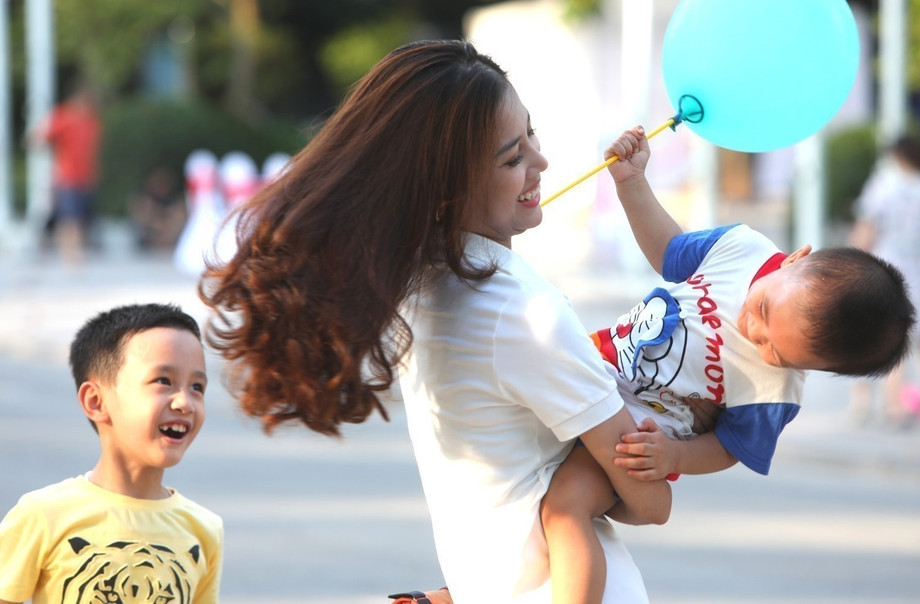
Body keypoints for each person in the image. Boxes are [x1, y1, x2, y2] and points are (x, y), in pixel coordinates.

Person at [199, 39, 706, 604]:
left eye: (531, 135)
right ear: (444, 186)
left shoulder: (413, 287)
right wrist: (578, 492)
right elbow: (651, 502)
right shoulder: (524, 311)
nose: (540, 161)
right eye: (512, 159)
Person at [539, 128, 917, 604]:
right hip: (594, 364)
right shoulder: (741, 248)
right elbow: (668, 250)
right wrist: (631, 184)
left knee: (564, 508)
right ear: (794, 260)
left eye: (777, 352)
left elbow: (729, 446)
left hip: (636, 435)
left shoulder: (774, 393)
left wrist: (673, 458)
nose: (753, 333)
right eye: (763, 311)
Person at [0, 303, 222, 603]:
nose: (185, 402)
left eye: (197, 386)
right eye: (163, 381)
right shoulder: (43, 515)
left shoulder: (204, 530)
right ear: (96, 402)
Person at [849, 134, 920, 426]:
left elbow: (865, 232)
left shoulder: (882, 187)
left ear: (895, 156)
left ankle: (894, 406)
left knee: (892, 338)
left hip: (889, 271)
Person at [29, 84, 102, 264]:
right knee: (69, 218)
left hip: (86, 177)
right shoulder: (63, 117)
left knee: (81, 217)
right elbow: (39, 138)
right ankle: (70, 254)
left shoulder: (92, 121)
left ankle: (74, 251)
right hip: (67, 177)